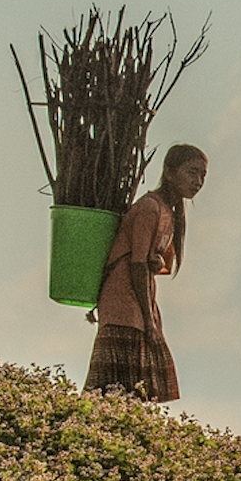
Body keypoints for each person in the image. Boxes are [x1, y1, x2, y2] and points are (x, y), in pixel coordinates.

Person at [85, 143, 206, 401]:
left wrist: (156, 261)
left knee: (134, 389)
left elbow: (156, 263)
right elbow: (137, 265)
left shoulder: (167, 213)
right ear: (170, 172)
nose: (198, 181)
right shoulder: (150, 208)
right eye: (192, 172)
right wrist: (149, 321)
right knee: (116, 389)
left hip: (140, 305)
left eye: (202, 176)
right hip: (124, 303)